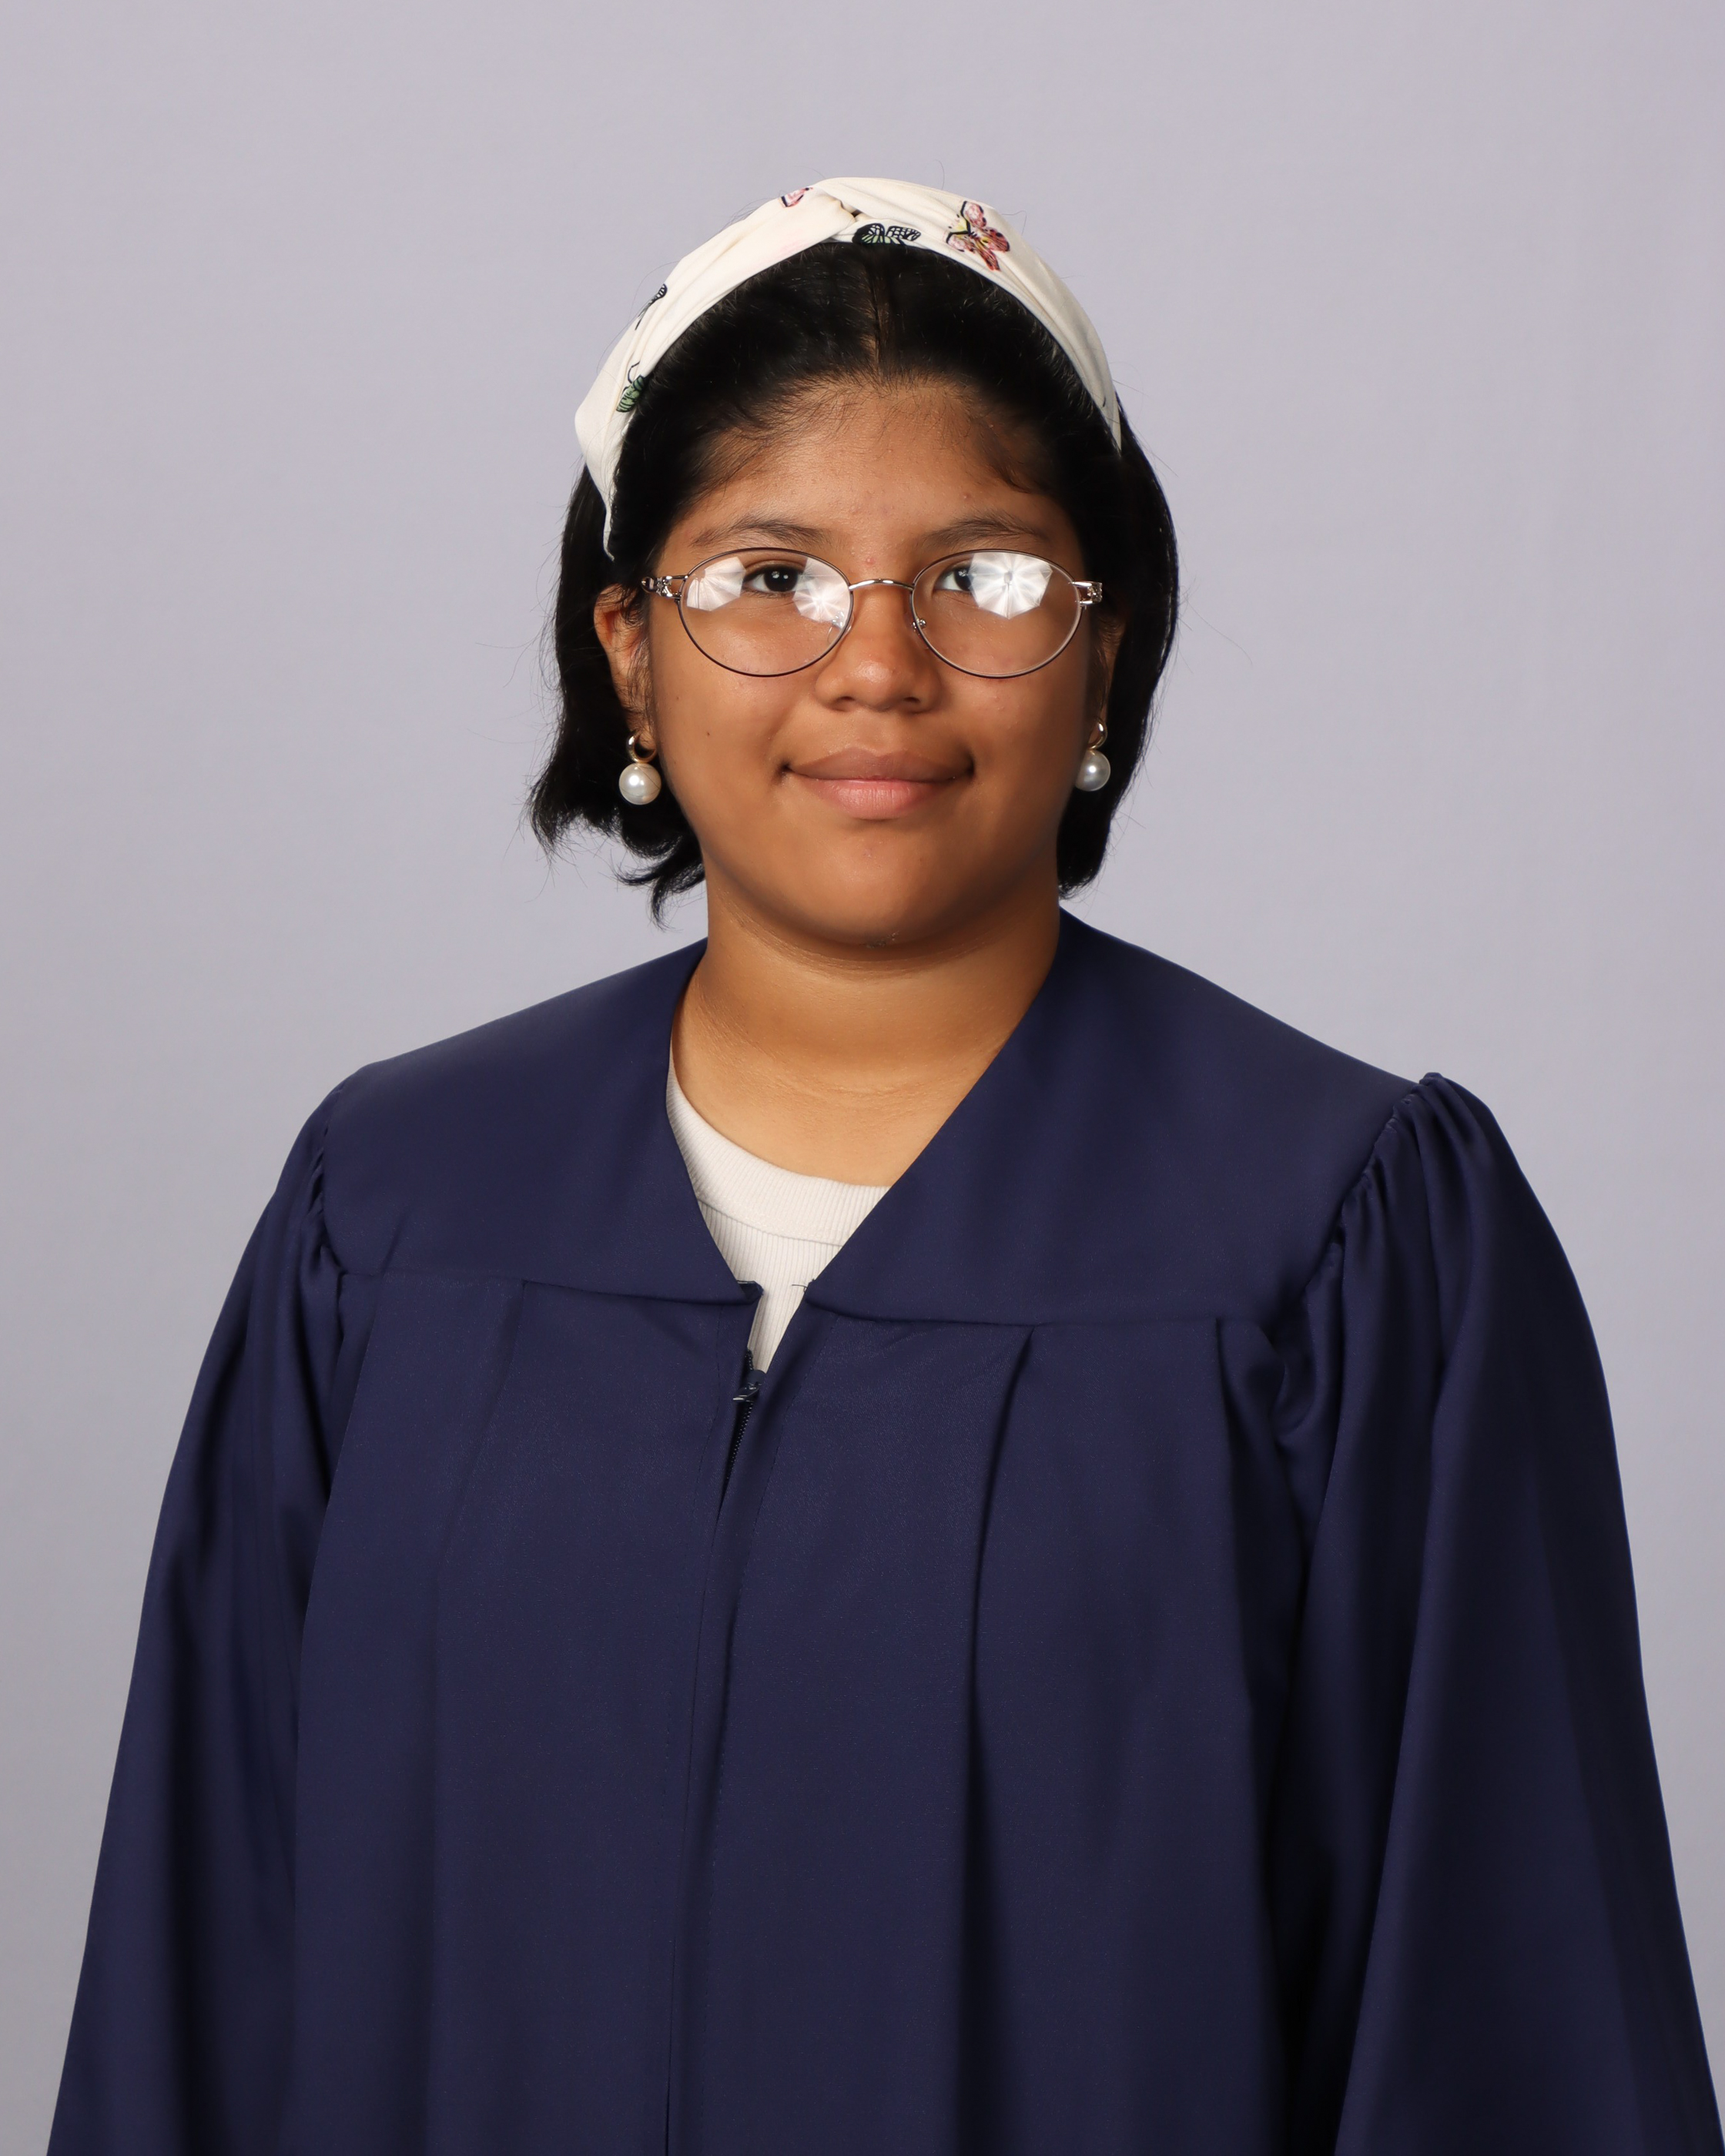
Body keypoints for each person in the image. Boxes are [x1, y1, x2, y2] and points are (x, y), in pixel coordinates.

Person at [49, 179, 1722, 2156]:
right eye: (767, 574)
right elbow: (200, 1976)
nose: (876, 664)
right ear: (629, 652)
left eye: (982, 575)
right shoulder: (394, 1216)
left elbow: (1508, 2034)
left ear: (1103, 648)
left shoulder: (1342, 1242)